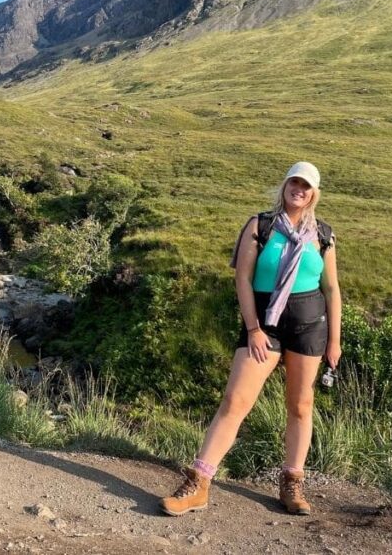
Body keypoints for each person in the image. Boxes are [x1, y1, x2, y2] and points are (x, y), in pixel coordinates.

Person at [160, 161, 342, 517]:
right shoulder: (260, 225)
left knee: (301, 405)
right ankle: (198, 483)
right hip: (265, 324)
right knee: (235, 401)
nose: (299, 190)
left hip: (309, 324)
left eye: (306, 186)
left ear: (314, 193)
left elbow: (332, 288)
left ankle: (292, 483)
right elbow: (243, 278)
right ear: (285, 185)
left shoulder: (323, 234)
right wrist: (255, 329)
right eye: (294, 182)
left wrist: (335, 341)